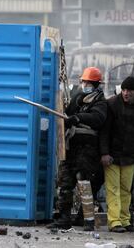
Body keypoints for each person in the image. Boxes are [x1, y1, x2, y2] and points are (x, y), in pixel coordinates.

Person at [48, 66, 107, 231]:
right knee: (65, 183)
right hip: (71, 147)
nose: (85, 84)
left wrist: (78, 118)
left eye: (88, 82)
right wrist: (67, 118)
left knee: (85, 185)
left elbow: (98, 118)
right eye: (84, 81)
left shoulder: (100, 102)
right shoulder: (78, 98)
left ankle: (86, 219)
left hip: (87, 150)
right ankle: (64, 219)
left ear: (95, 84)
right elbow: (66, 114)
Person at [100, 76, 134, 233]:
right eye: (123, 90)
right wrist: (104, 153)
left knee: (126, 190)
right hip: (113, 156)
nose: (126, 93)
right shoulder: (112, 104)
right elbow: (104, 131)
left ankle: (125, 220)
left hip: (130, 155)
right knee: (113, 189)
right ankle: (114, 222)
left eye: (129, 90)